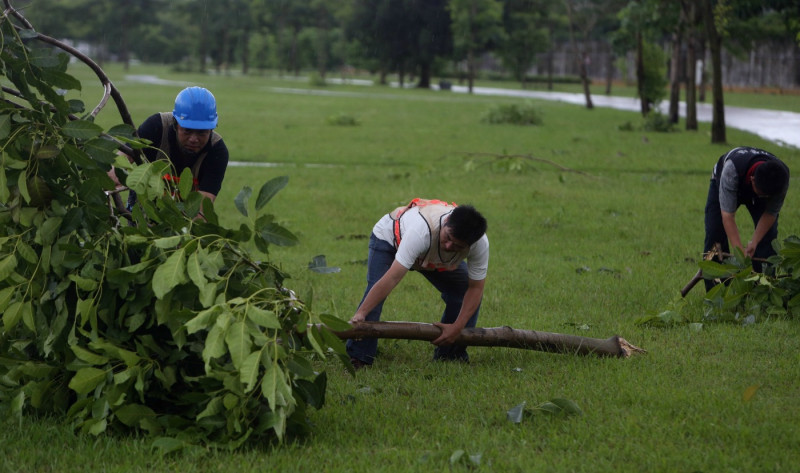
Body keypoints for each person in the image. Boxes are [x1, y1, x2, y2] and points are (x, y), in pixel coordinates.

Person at [347, 198, 489, 369]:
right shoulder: (422, 231)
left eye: (458, 246)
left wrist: (457, 327)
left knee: (463, 289)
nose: (449, 245)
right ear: (446, 222)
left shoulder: (479, 244)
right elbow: (392, 278)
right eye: (448, 237)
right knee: (376, 293)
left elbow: (475, 288)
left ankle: (450, 354)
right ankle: (359, 357)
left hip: (433, 258)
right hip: (390, 239)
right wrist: (361, 313)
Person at [111, 86, 229, 205]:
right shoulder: (155, 127)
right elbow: (120, 161)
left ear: (211, 129)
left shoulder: (217, 151)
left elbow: (202, 209)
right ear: (175, 123)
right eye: (187, 130)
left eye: (202, 132)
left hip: (185, 215)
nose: (194, 139)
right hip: (146, 207)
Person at [703, 146, 790, 289]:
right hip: (724, 180)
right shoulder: (731, 171)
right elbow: (728, 216)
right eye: (762, 195)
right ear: (752, 180)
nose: (764, 198)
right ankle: (716, 289)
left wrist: (754, 242)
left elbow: (770, 213)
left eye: (768, 197)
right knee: (714, 234)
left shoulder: (781, 178)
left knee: (768, 236)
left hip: (764, 185)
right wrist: (740, 252)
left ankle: (763, 288)